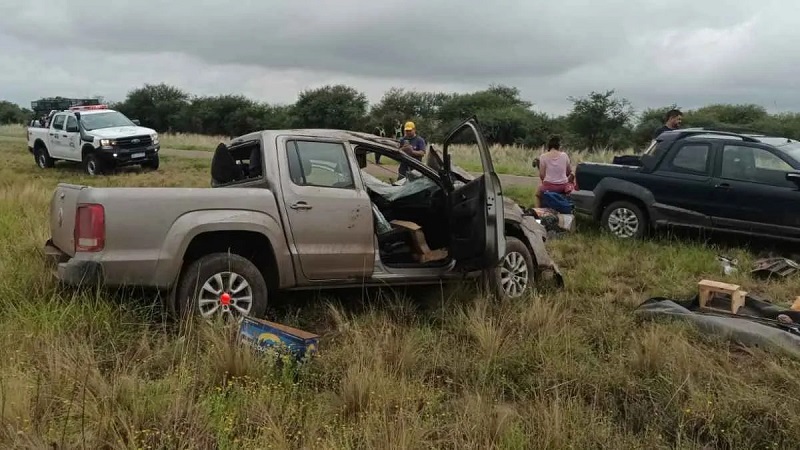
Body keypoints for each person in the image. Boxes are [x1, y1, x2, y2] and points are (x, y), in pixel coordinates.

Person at [536, 135, 574, 206]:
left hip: (548, 186)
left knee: (538, 195)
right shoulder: (564, 155)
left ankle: (538, 211)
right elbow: (569, 171)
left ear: (549, 146)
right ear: (558, 146)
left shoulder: (543, 156)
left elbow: (542, 175)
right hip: (563, 186)